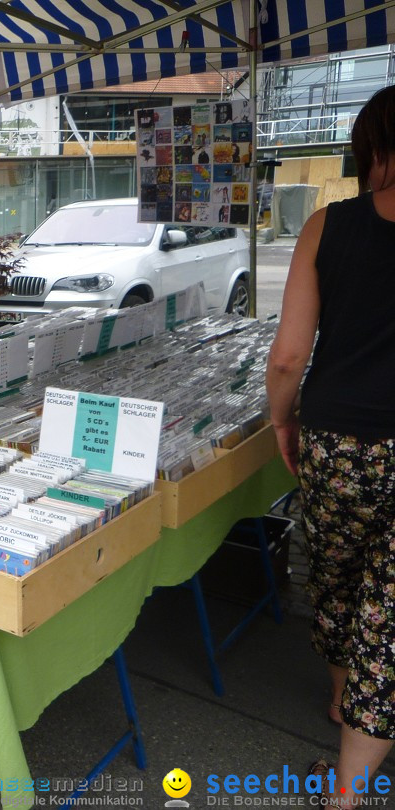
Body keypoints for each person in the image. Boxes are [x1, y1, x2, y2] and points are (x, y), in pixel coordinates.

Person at [265, 85, 395, 807]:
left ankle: (343, 705)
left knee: (342, 579)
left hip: (336, 439)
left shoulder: (327, 226)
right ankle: (349, 787)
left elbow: (288, 357)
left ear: (372, 147)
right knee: (390, 610)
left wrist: (283, 419)